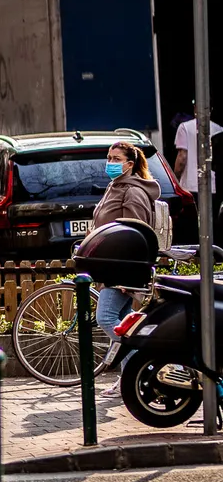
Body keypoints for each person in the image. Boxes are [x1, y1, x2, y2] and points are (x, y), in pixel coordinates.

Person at [92, 140, 160, 396]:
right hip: (113, 266)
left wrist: (129, 272)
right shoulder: (116, 186)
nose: (110, 162)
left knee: (107, 318)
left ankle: (143, 362)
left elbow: (138, 234)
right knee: (121, 323)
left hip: (123, 268)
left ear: (130, 164)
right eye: (108, 157)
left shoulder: (132, 191)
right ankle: (130, 378)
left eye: (116, 158)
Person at [173, 107, 221, 203]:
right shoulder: (219, 129)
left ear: (195, 109)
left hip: (189, 186)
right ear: (210, 110)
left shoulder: (185, 127)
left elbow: (182, 157)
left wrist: (175, 178)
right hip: (213, 187)